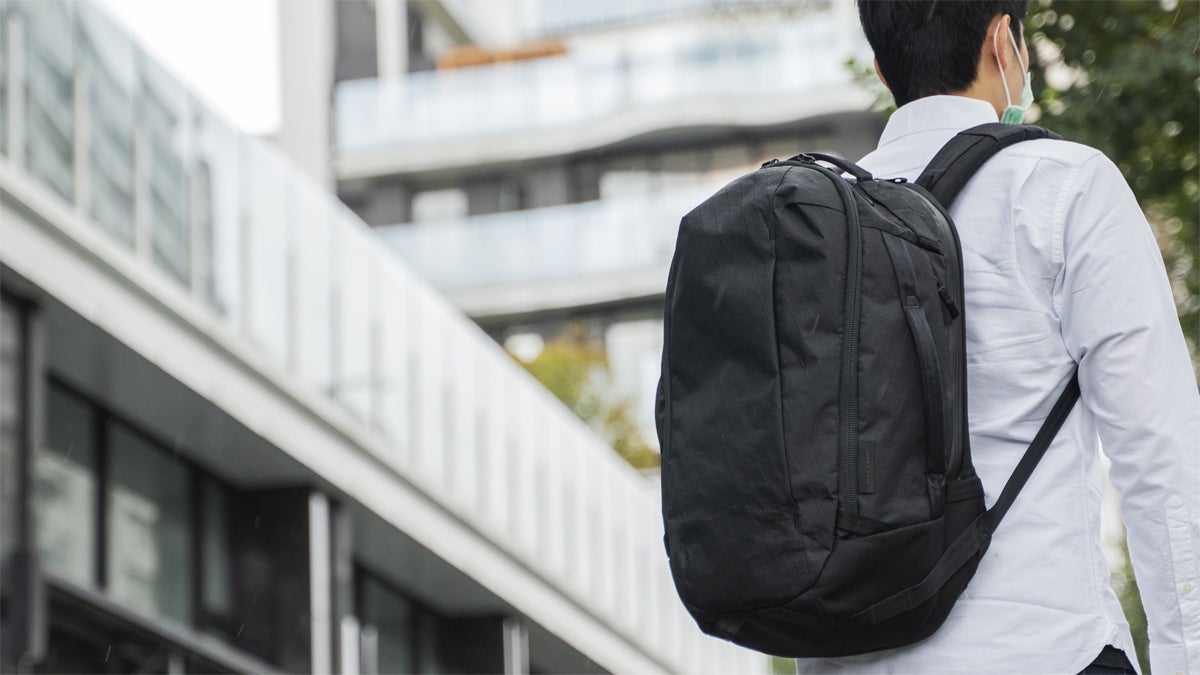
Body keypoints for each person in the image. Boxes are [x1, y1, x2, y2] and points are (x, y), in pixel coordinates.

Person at [794, 2, 1200, 673]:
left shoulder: (813, 222)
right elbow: (1161, 456)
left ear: (882, 68)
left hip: (848, 657)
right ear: (1004, 40)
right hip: (1042, 648)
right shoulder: (1064, 184)